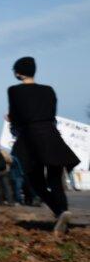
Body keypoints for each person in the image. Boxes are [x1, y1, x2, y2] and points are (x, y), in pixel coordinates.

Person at [7, 56, 79, 235]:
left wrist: (11, 120)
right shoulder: (48, 90)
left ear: (17, 72)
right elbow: (52, 113)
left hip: (30, 137)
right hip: (51, 135)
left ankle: (59, 211)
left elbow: (16, 116)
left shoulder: (14, 91)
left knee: (35, 180)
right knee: (55, 179)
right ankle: (63, 212)